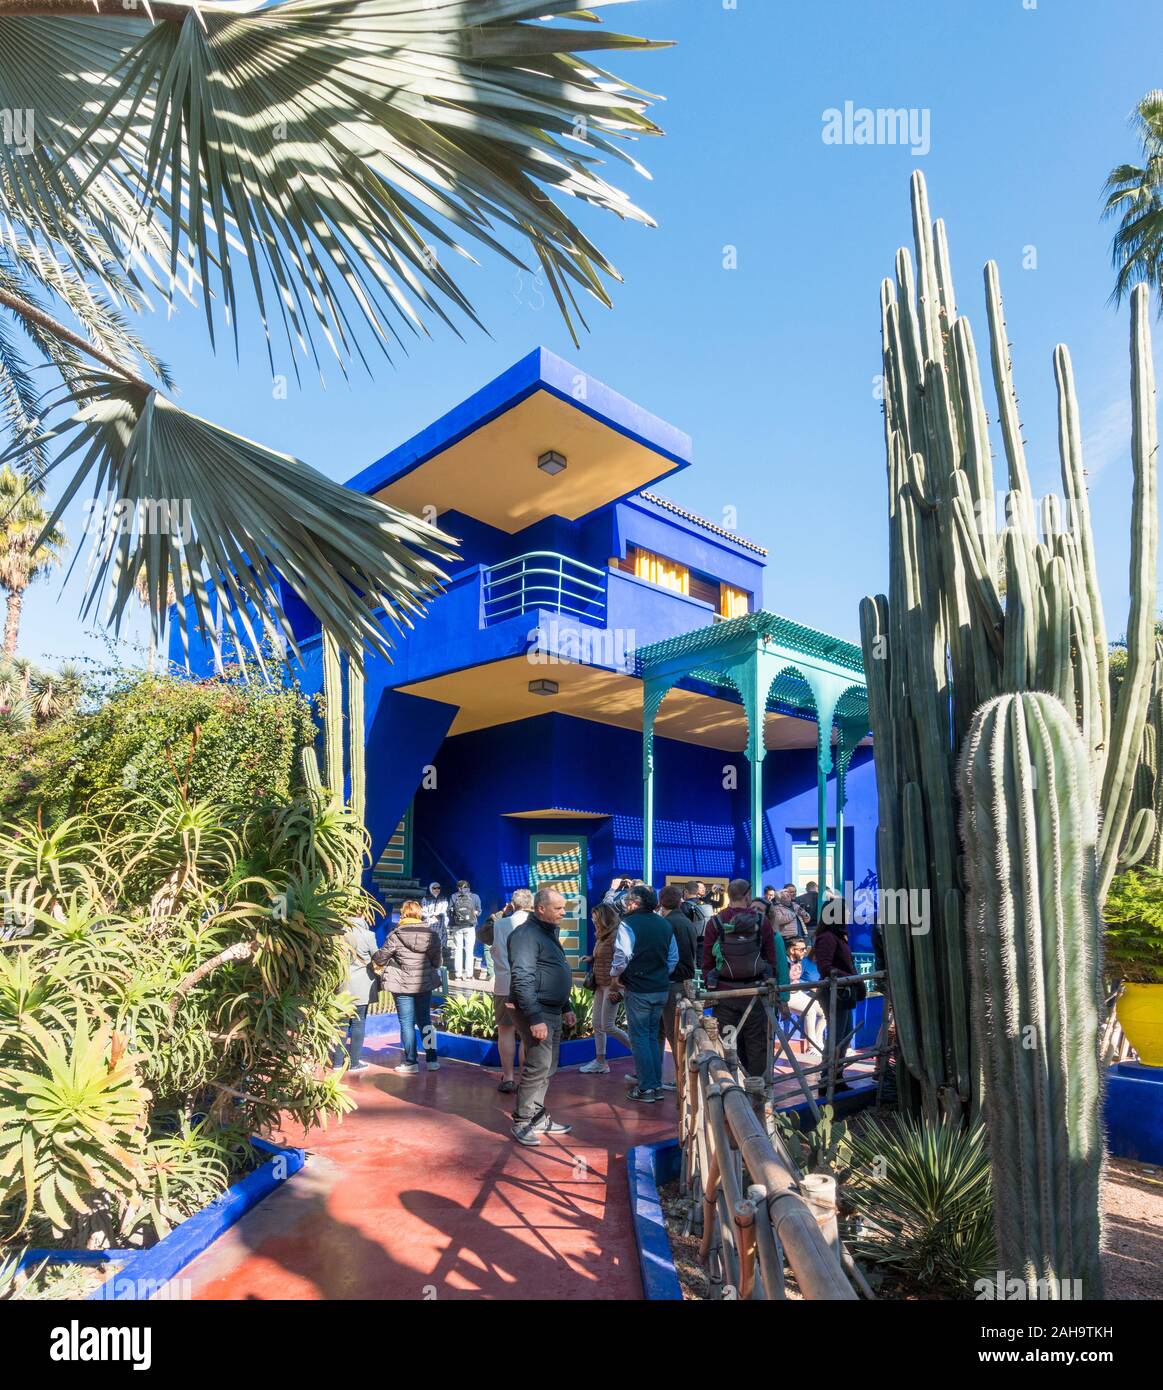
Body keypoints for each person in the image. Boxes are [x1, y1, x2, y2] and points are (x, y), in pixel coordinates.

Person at [507, 888, 577, 1146]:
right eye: (558, 908)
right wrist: (535, 1017)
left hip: (551, 1009)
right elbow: (523, 977)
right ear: (540, 908)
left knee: (549, 1065)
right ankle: (522, 1120)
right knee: (538, 1065)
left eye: (563, 907)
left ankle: (536, 1115)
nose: (563, 912)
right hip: (536, 1010)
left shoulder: (547, 933)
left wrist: (566, 1006)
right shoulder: (526, 935)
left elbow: (552, 972)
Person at [701, 879, 788, 1078]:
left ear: (728, 895)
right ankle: (757, 1092)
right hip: (755, 994)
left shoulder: (716, 922)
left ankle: (729, 1087)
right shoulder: (761, 921)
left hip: (725, 994)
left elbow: (707, 960)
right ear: (747, 895)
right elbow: (771, 958)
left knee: (727, 1043)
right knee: (756, 1044)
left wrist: (711, 986)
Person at [608, 884, 677, 1103]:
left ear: (636, 903)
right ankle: (654, 1086)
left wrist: (614, 977)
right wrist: (659, 973)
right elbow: (673, 958)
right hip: (660, 988)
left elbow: (622, 956)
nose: (626, 904)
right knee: (652, 1037)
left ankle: (647, 1088)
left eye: (629, 901)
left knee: (641, 1039)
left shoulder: (628, 924)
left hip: (639, 989)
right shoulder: (665, 924)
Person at [381, 899, 442, 1075]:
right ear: (419, 914)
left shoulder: (395, 935)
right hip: (424, 985)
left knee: (406, 1023)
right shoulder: (432, 935)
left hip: (402, 986)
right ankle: (432, 1060)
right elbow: (437, 962)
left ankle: (410, 1062)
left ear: (403, 914)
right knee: (425, 1022)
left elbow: (381, 958)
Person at [813, 898, 864, 1095]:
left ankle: (837, 1077)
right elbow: (825, 967)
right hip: (835, 993)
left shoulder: (837, 936)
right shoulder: (827, 937)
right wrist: (852, 978)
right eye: (845, 912)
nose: (848, 915)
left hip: (844, 992)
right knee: (836, 1038)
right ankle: (827, 1081)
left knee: (844, 1036)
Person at [579, 901, 631, 1075]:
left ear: (605, 919)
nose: (594, 922)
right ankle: (600, 1061)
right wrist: (592, 959)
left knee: (607, 1025)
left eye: (596, 920)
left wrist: (616, 985)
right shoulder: (603, 935)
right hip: (601, 984)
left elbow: (622, 959)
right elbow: (607, 956)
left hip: (612, 985)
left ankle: (639, 1051)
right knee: (597, 1024)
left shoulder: (617, 934)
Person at [489, 887, 532, 1094]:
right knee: (526, 1033)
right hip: (530, 985)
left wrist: (504, 913)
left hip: (504, 984)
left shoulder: (500, 924)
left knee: (505, 1030)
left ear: (513, 905)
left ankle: (508, 1077)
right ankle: (525, 1079)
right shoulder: (537, 924)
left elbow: (493, 947)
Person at [658, 884, 697, 1090]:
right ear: (681, 899)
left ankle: (681, 1080)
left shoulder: (668, 923)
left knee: (674, 1036)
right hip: (684, 981)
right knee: (674, 1033)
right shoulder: (686, 922)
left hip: (673, 982)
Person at [332, 915, 379, 1072]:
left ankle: (337, 1062)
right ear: (363, 916)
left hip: (343, 984)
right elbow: (377, 957)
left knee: (342, 1023)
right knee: (359, 1022)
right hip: (362, 985)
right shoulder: (368, 935)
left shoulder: (339, 933)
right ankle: (354, 1062)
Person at [786, 937, 824, 1052]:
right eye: (801, 949)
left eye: (805, 949)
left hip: (798, 992)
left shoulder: (799, 961)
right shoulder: (785, 962)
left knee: (825, 1010)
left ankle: (818, 1042)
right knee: (810, 1011)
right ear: (792, 950)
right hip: (786, 994)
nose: (804, 951)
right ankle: (811, 1048)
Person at [447, 878, 482, 980]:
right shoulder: (475, 897)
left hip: (457, 927)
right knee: (469, 951)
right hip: (470, 927)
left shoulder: (454, 896)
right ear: (469, 887)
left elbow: (449, 911)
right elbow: (479, 911)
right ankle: (469, 975)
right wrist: (473, 914)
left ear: (458, 888)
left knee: (458, 950)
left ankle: (458, 975)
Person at [420, 881, 450, 982]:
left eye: (438, 888)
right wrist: (431, 915)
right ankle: (427, 969)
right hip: (429, 925)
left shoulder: (443, 899)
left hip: (440, 927)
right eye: (434, 888)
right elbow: (423, 912)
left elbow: (445, 911)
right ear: (431, 889)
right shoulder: (426, 898)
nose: (437, 890)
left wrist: (442, 918)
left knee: (439, 949)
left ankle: (437, 970)